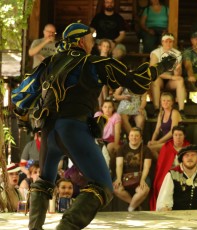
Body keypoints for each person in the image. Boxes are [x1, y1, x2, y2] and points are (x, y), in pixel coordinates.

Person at [11, 21, 175, 230]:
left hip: (48, 131)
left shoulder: (49, 62)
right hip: (73, 128)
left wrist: (26, 124)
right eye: (90, 38)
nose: (93, 42)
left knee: (44, 182)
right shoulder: (96, 63)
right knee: (103, 186)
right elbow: (136, 81)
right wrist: (161, 66)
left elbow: (21, 99)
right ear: (81, 41)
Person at [156, 145, 197, 211]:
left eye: (193, 155)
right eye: (186, 155)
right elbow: (164, 200)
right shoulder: (172, 174)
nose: (190, 158)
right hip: (176, 218)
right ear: (182, 158)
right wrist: (164, 209)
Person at [149, 125, 190, 210]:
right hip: (168, 175)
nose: (178, 137)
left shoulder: (189, 148)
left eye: (180, 135)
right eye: (175, 135)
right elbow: (162, 166)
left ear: (184, 136)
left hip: (185, 175)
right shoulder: (166, 147)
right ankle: (165, 208)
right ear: (172, 136)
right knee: (160, 184)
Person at [113, 127, 152, 212]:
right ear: (128, 137)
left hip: (141, 175)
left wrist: (142, 179)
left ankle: (130, 209)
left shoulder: (146, 150)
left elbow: (146, 167)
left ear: (141, 138)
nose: (134, 138)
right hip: (124, 175)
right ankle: (135, 206)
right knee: (115, 188)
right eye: (132, 135)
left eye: (136, 136)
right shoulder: (122, 149)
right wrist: (119, 178)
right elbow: (119, 165)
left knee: (144, 190)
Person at [149, 33, 186, 119]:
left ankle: (181, 110)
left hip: (170, 80)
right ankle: (156, 109)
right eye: (166, 41)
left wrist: (177, 70)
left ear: (173, 43)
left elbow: (177, 74)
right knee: (155, 79)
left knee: (180, 80)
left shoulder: (178, 54)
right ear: (162, 42)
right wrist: (171, 77)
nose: (168, 43)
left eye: (170, 42)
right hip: (160, 77)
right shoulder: (156, 53)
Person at [148, 92, 182, 159]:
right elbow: (156, 131)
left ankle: (163, 167)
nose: (165, 102)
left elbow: (172, 132)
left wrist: (158, 142)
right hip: (165, 142)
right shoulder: (161, 114)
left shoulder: (174, 113)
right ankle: (164, 166)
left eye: (168, 101)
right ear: (161, 102)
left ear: (172, 102)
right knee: (149, 147)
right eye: (163, 100)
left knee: (151, 149)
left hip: (175, 141)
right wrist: (152, 141)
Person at [94, 98, 122, 168]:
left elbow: (117, 132)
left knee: (110, 147)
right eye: (105, 107)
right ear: (102, 108)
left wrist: (116, 144)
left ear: (113, 108)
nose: (107, 109)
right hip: (100, 139)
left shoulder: (116, 116)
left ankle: (109, 168)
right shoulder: (98, 114)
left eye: (110, 107)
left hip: (111, 140)